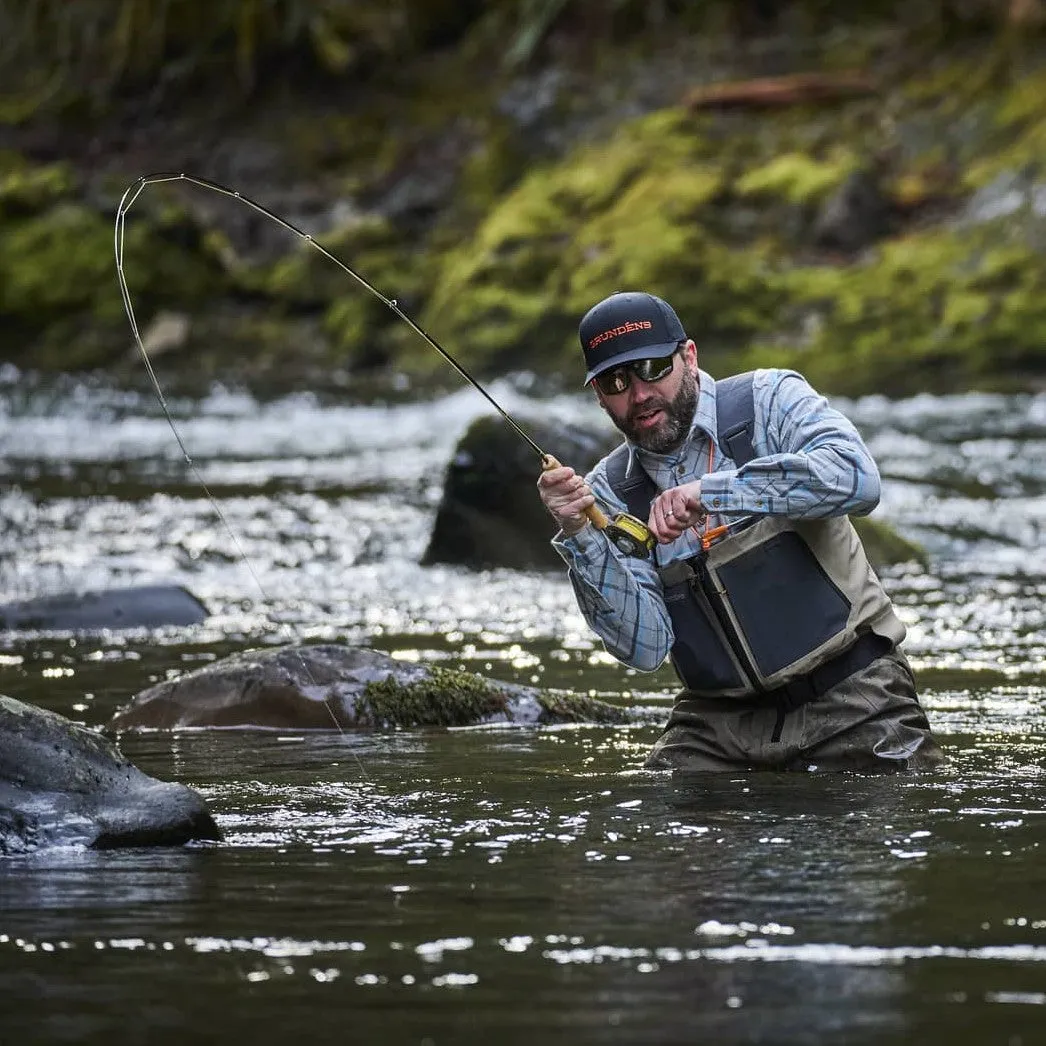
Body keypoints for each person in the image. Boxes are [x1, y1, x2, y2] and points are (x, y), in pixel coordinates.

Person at [537, 290, 944, 772]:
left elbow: (857, 479)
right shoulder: (609, 491)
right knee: (648, 827)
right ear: (599, 396)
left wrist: (711, 493)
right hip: (716, 725)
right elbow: (644, 649)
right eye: (617, 380)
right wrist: (581, 536)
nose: (640, 394)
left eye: (652, 369)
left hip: (855, 693)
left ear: (688, 357)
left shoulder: (768, 400)